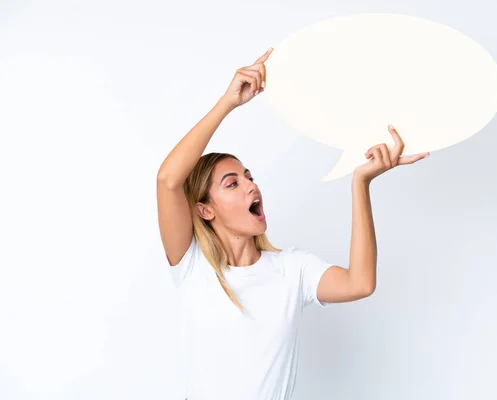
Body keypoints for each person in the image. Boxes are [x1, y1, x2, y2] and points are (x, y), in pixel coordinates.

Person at [157, 47, 430, 400]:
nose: (251, 185)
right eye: (232, 183)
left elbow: (360, 283)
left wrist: (360, 184)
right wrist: (228, 102)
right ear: (205, 210)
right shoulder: (192, 266)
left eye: (249, 176)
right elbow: (168, 180)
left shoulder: (292, 270)